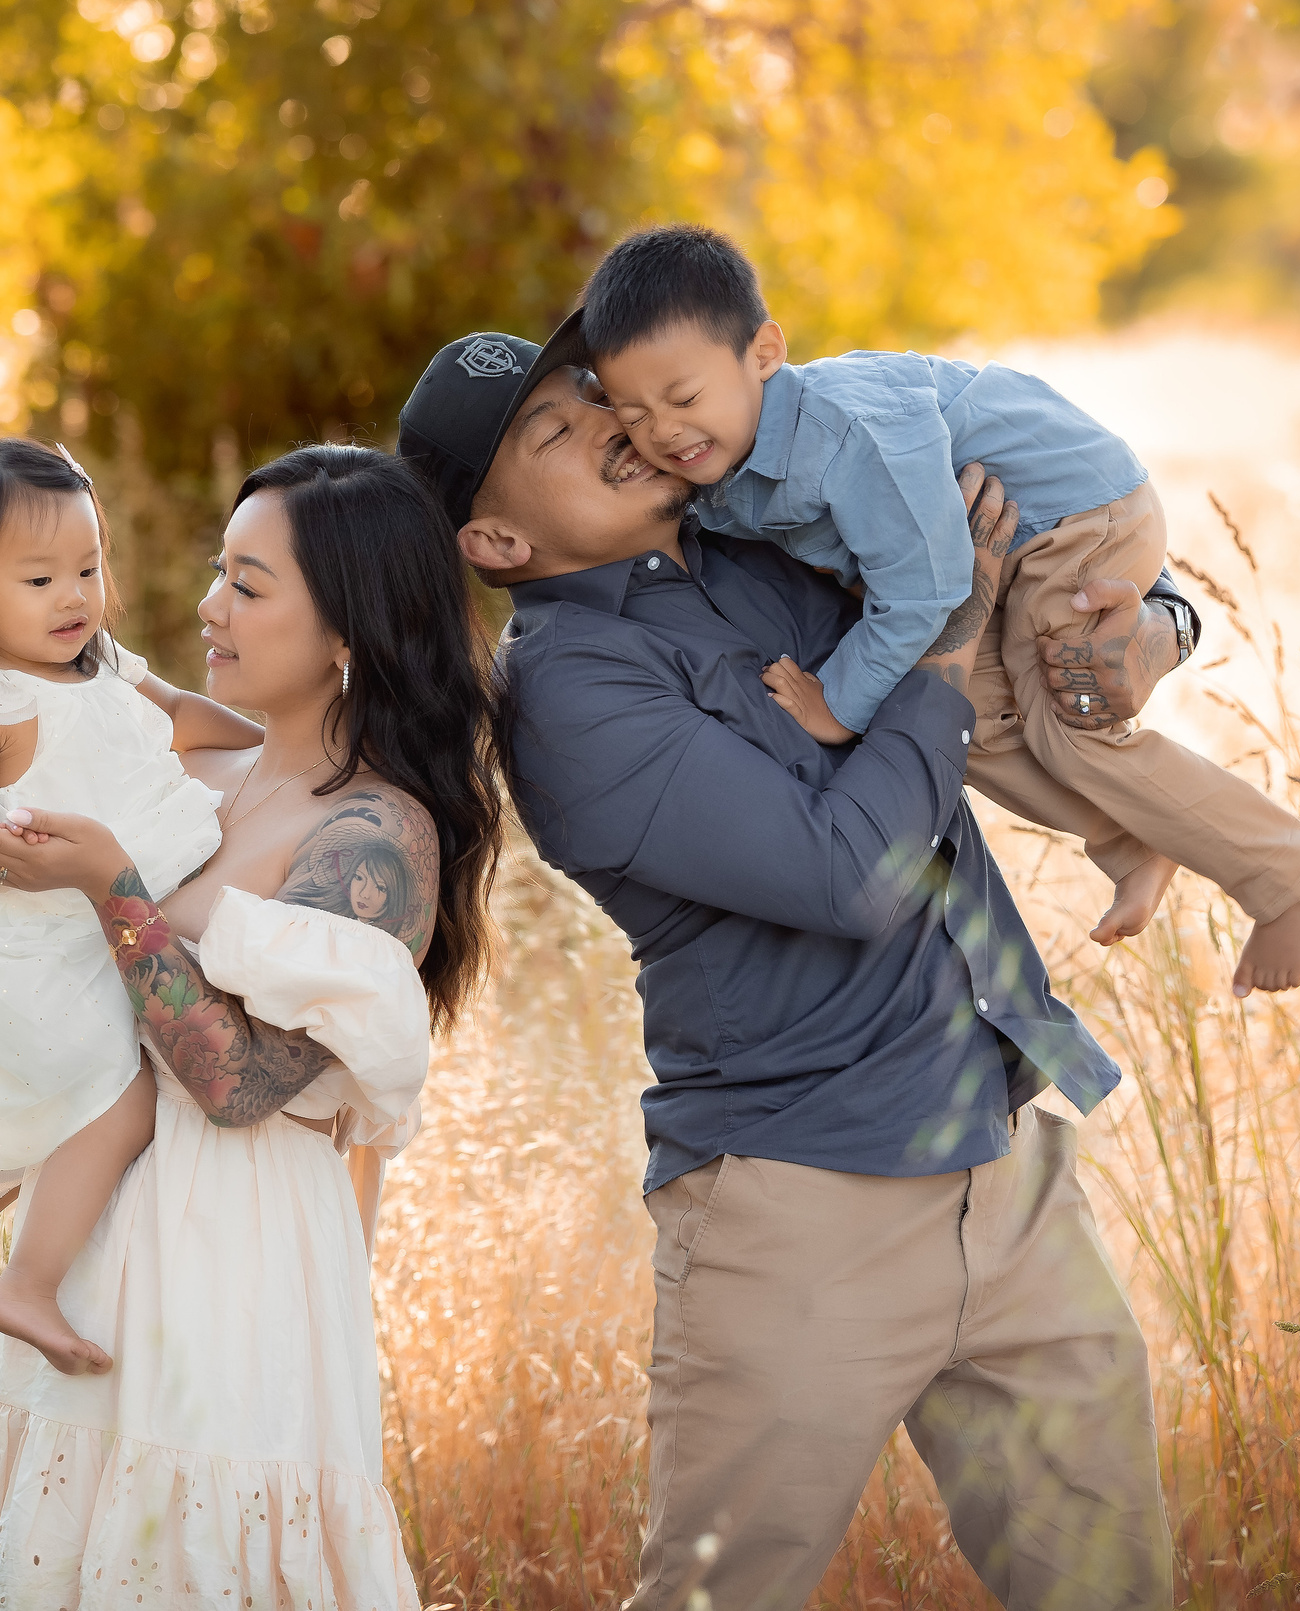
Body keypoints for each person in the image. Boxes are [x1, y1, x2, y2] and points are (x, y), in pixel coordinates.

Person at [398, 329, 1184, 1609]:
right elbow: (848, 879)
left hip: (1003, 1155)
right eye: (550, 432)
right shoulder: (569, 698)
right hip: (798, 1201)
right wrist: (940, 638)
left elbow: (1063, 532)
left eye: (593, 394)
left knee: (1113, 1588)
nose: (606, 422)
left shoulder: (770, 515)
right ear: (495, 544)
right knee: (723, 1598)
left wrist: (1161, 620)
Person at [0, 445, 502, 1610]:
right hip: (100, 1247)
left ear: (349, 629)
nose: (207, 606)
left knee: (199, 1554)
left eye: (248, 583)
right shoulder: (208, 774)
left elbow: (238, 1086)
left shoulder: (375, 837)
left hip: (233, 1263)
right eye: (215, 571)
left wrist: (111, 887)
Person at [580, 224, 1300, 996]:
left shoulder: (845, 439)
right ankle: (1136, 833)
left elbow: (927, 590)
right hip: (995, 549)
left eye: (683, 398)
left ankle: (1288, 871)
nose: (663, 430)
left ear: (765, 354)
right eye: (632, 413)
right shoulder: (722, 452)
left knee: (1066, 719)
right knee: (963, 719)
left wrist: (834, 703)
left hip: (1075, 511)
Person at [0, 437, 260, 1375]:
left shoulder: (108, 668)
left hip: (95, 928)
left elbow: (183, 717)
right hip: (27, 945)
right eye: (40, 577)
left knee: (77, 1098)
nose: (74, 596)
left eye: (88, 568)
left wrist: (289, 738)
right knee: (121, 1099)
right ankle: (27, 1283)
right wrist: (11, 863)